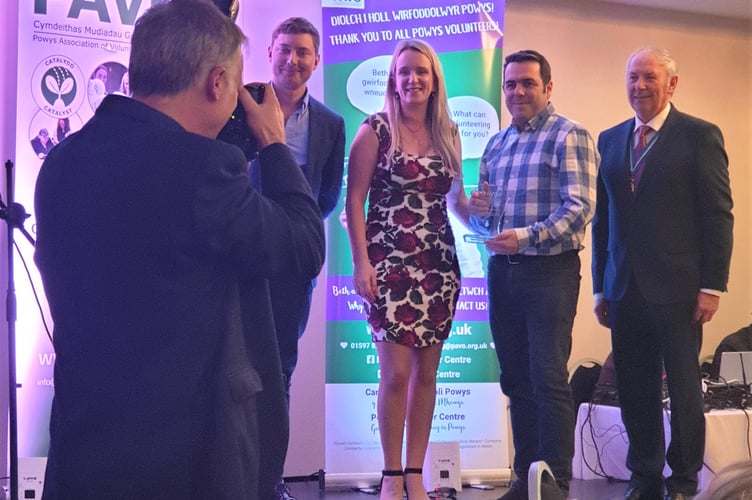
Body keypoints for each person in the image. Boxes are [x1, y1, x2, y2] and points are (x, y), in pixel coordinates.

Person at [33, 1, 325, 499]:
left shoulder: (61, 161)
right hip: (180, 459)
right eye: (235, 85)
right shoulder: (200, 171)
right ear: (217, 83)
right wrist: (274, 141)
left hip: (82, 449)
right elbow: (302, 245)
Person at [592, 47, 733, 500]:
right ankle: (646, 477)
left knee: (685, 388)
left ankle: (685, 480)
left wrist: (711, 287)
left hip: (680, 290)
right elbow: (604, 219)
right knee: (635, 389)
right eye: (633, 77)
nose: (640, 86)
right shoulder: (611, 139)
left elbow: (718, 215)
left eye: (650, 77)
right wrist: (600, 286)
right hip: (624, 288)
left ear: (672, 84)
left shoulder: (699, 135)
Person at [468, 49, 598, 500]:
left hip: (549, 274)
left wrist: (523, 237)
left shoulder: (569, 135)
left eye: (527, 83)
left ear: (548, 86)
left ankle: (556, 482)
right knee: (515, 380)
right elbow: (488, 222)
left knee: (547, 377)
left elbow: (579, 210)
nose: (518, 92)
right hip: (502, 273)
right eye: (510, 85)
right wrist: (480, 216)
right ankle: (526, 479)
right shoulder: (496, 145)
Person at [345, 39, 471, 500]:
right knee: (395, 375)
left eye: (421, 71)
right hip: (388, 264)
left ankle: (416, 473)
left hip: (438, 265)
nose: (412, 79)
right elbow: (354, 198)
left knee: (428, 374)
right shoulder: (376, 129)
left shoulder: (449, 133)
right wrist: (361, 262)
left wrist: (474, 208)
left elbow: (453, 200)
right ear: (393, 81)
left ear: (434, 79)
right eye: (403, 72)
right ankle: (391, 474)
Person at [251, 17, 346, 500]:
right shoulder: (239, 104)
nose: (293, 59)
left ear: (316, 59)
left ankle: (269, 484)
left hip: (292, 266)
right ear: (269, 52)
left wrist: (294, 231)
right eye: (284, 49)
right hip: (240, 258)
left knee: (280, 370)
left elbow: (327, 196)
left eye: (303, 51)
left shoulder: (331, 123)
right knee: (231, 367)